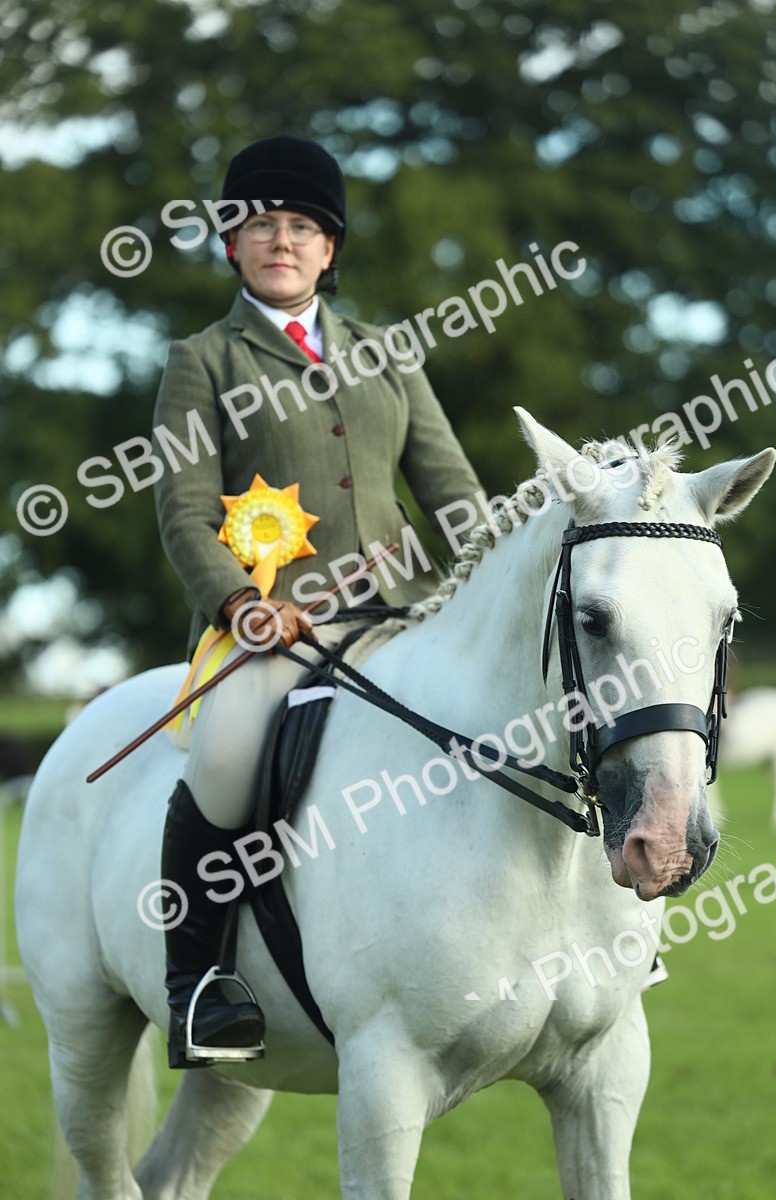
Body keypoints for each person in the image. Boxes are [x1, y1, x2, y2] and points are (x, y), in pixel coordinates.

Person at [153, 135, 485, 1068]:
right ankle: (199, 986)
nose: (282, 241)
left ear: (329, 249)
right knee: (222, 754)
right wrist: (236, 606)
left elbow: (453, 491)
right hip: (277, 628)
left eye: (302, 227)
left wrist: (500, 572)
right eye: (262, 225)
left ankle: (607, 931)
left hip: (404, 612)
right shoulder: (203, 361)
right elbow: (181, 510)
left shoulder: (387, 353)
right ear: (233, 243)